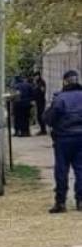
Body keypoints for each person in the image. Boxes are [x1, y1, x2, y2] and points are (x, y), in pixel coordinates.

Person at [43, 70, 82, 214]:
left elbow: (49, 119)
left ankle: (60, 202)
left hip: (63, 139)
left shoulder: (60, 98)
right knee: (80, 169)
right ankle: (80, 200)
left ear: (65, 81)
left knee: (61, 170)